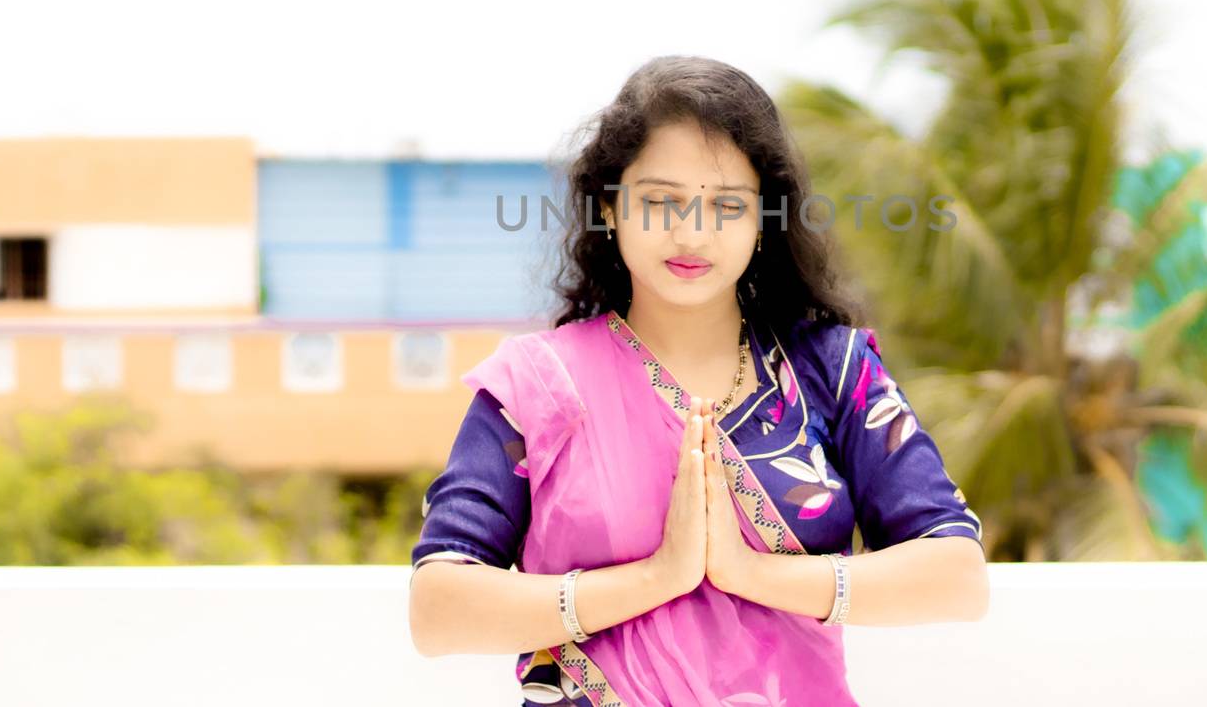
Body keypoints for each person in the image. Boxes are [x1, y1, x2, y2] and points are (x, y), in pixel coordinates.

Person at [408, 55, 989, 706]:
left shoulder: (833, 371)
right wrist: (658, 576)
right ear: (610, 206)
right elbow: (438, 607)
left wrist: (749, 572)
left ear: (764, 217)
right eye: (660, 200)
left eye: (726, 205)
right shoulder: (536, 387)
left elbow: (956, 574)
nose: (691, 232)